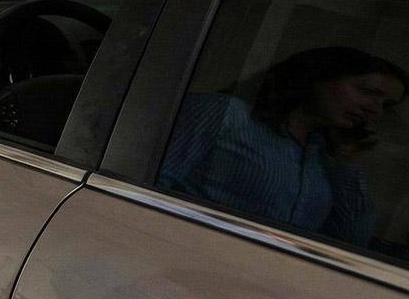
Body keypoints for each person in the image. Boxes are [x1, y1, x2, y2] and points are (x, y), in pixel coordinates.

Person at [158, 46, 405, 244]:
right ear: (317, 77)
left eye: (387, 105)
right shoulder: (226, 114)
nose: (376, 110)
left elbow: (350, 241)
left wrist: (348, 160)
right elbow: (153, 182)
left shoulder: (321, 155)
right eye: (367, 91)